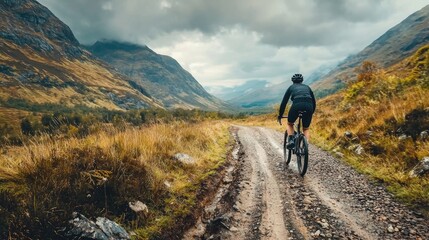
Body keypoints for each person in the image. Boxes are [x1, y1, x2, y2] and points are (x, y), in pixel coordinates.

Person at [277, 73, 316, 149]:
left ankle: (291, 140)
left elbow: (284, 102)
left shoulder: (291, 87)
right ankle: (305, 146)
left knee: (290, 124)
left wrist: (280, 114)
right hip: (309, 106)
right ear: (302, 80)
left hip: (297, 105)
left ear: (293, 81)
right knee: (306, 128)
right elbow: (314, 102)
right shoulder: (307, 87)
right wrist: (311, 112)